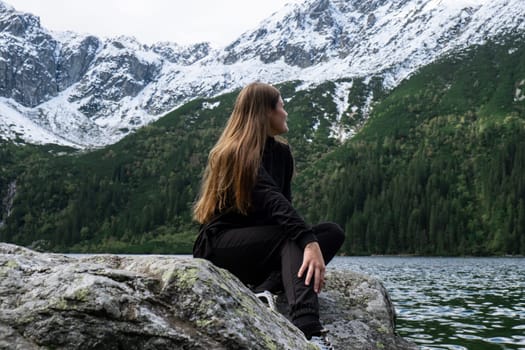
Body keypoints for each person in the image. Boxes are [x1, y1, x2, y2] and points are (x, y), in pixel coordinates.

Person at [192, 82, 345, 345]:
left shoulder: (282, 153)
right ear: (266, 111)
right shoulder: (235, 153)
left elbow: (284, 207)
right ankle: (308, 328)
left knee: (331, 233)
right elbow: (272, 200)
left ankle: (263, 289)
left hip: (265, 248)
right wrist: (306, 240)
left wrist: (308, 241)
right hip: (221, 246)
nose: (286, 113)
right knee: (294, 238)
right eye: (282, 106)